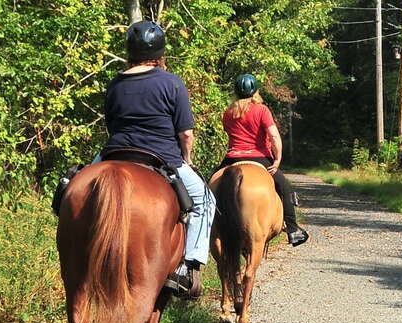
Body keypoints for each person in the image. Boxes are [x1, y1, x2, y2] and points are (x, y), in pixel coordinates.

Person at [100, 20, 214, 299]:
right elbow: (185, 134)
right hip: (161, 156)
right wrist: (186, 159)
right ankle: (187, 268)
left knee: (70, 190)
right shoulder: (171, 82)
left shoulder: (115, 83)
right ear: (160, 53)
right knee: (205, 201)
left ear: (129, 51)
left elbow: (111, 125)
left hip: (114, 152)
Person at [218, 74, 309, 246]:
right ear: (256, 91)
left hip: (232, 158)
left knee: (209, 188)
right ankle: (293, 229)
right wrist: (277, 159)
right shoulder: (261, 110)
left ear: (236, 92)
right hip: (259, 158)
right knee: (284, 186)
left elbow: (230, 133)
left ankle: (207, 228)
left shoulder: (228, 112)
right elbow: (274, 136)